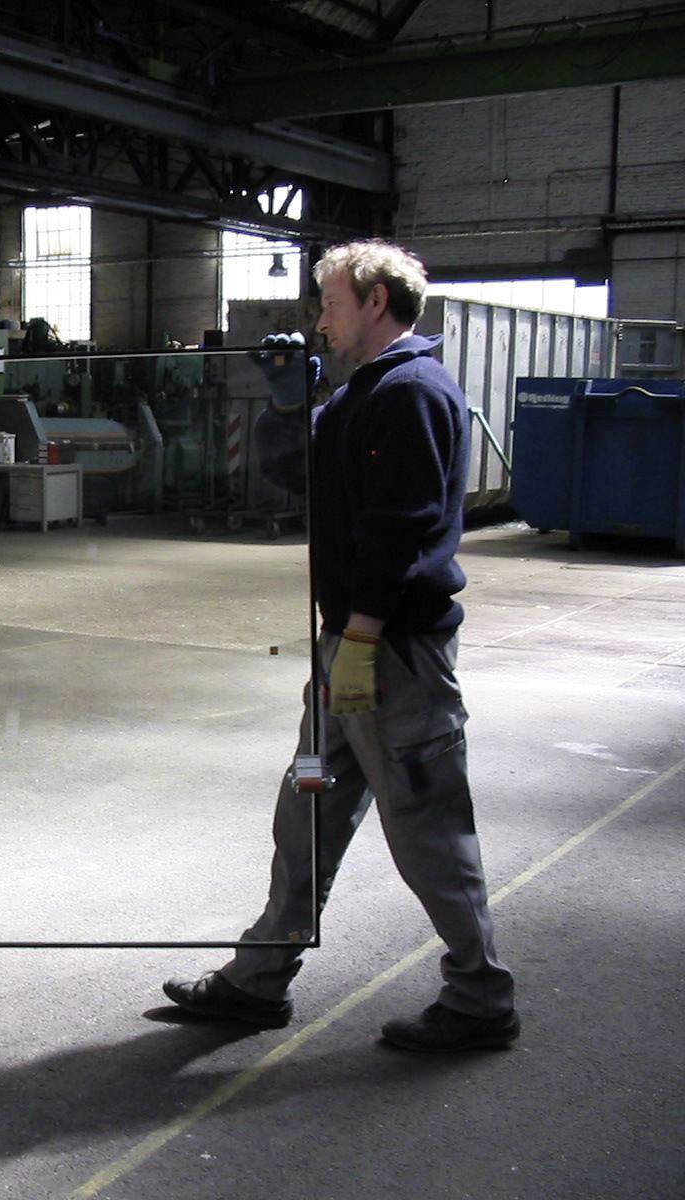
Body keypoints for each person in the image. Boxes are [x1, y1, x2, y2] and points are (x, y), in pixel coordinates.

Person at [164, 241, 517, 1051]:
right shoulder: (362, 395)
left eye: (328, 305)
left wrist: (360, 638)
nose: (318, 322)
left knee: (426, 826)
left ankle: (481, 996)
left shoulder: (414, 393)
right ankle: (259, 980)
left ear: (377, 303)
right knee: (309, 812)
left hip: (391, 660)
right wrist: (289, 405)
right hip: (345, 661)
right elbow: (300, 476)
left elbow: (406, 531)